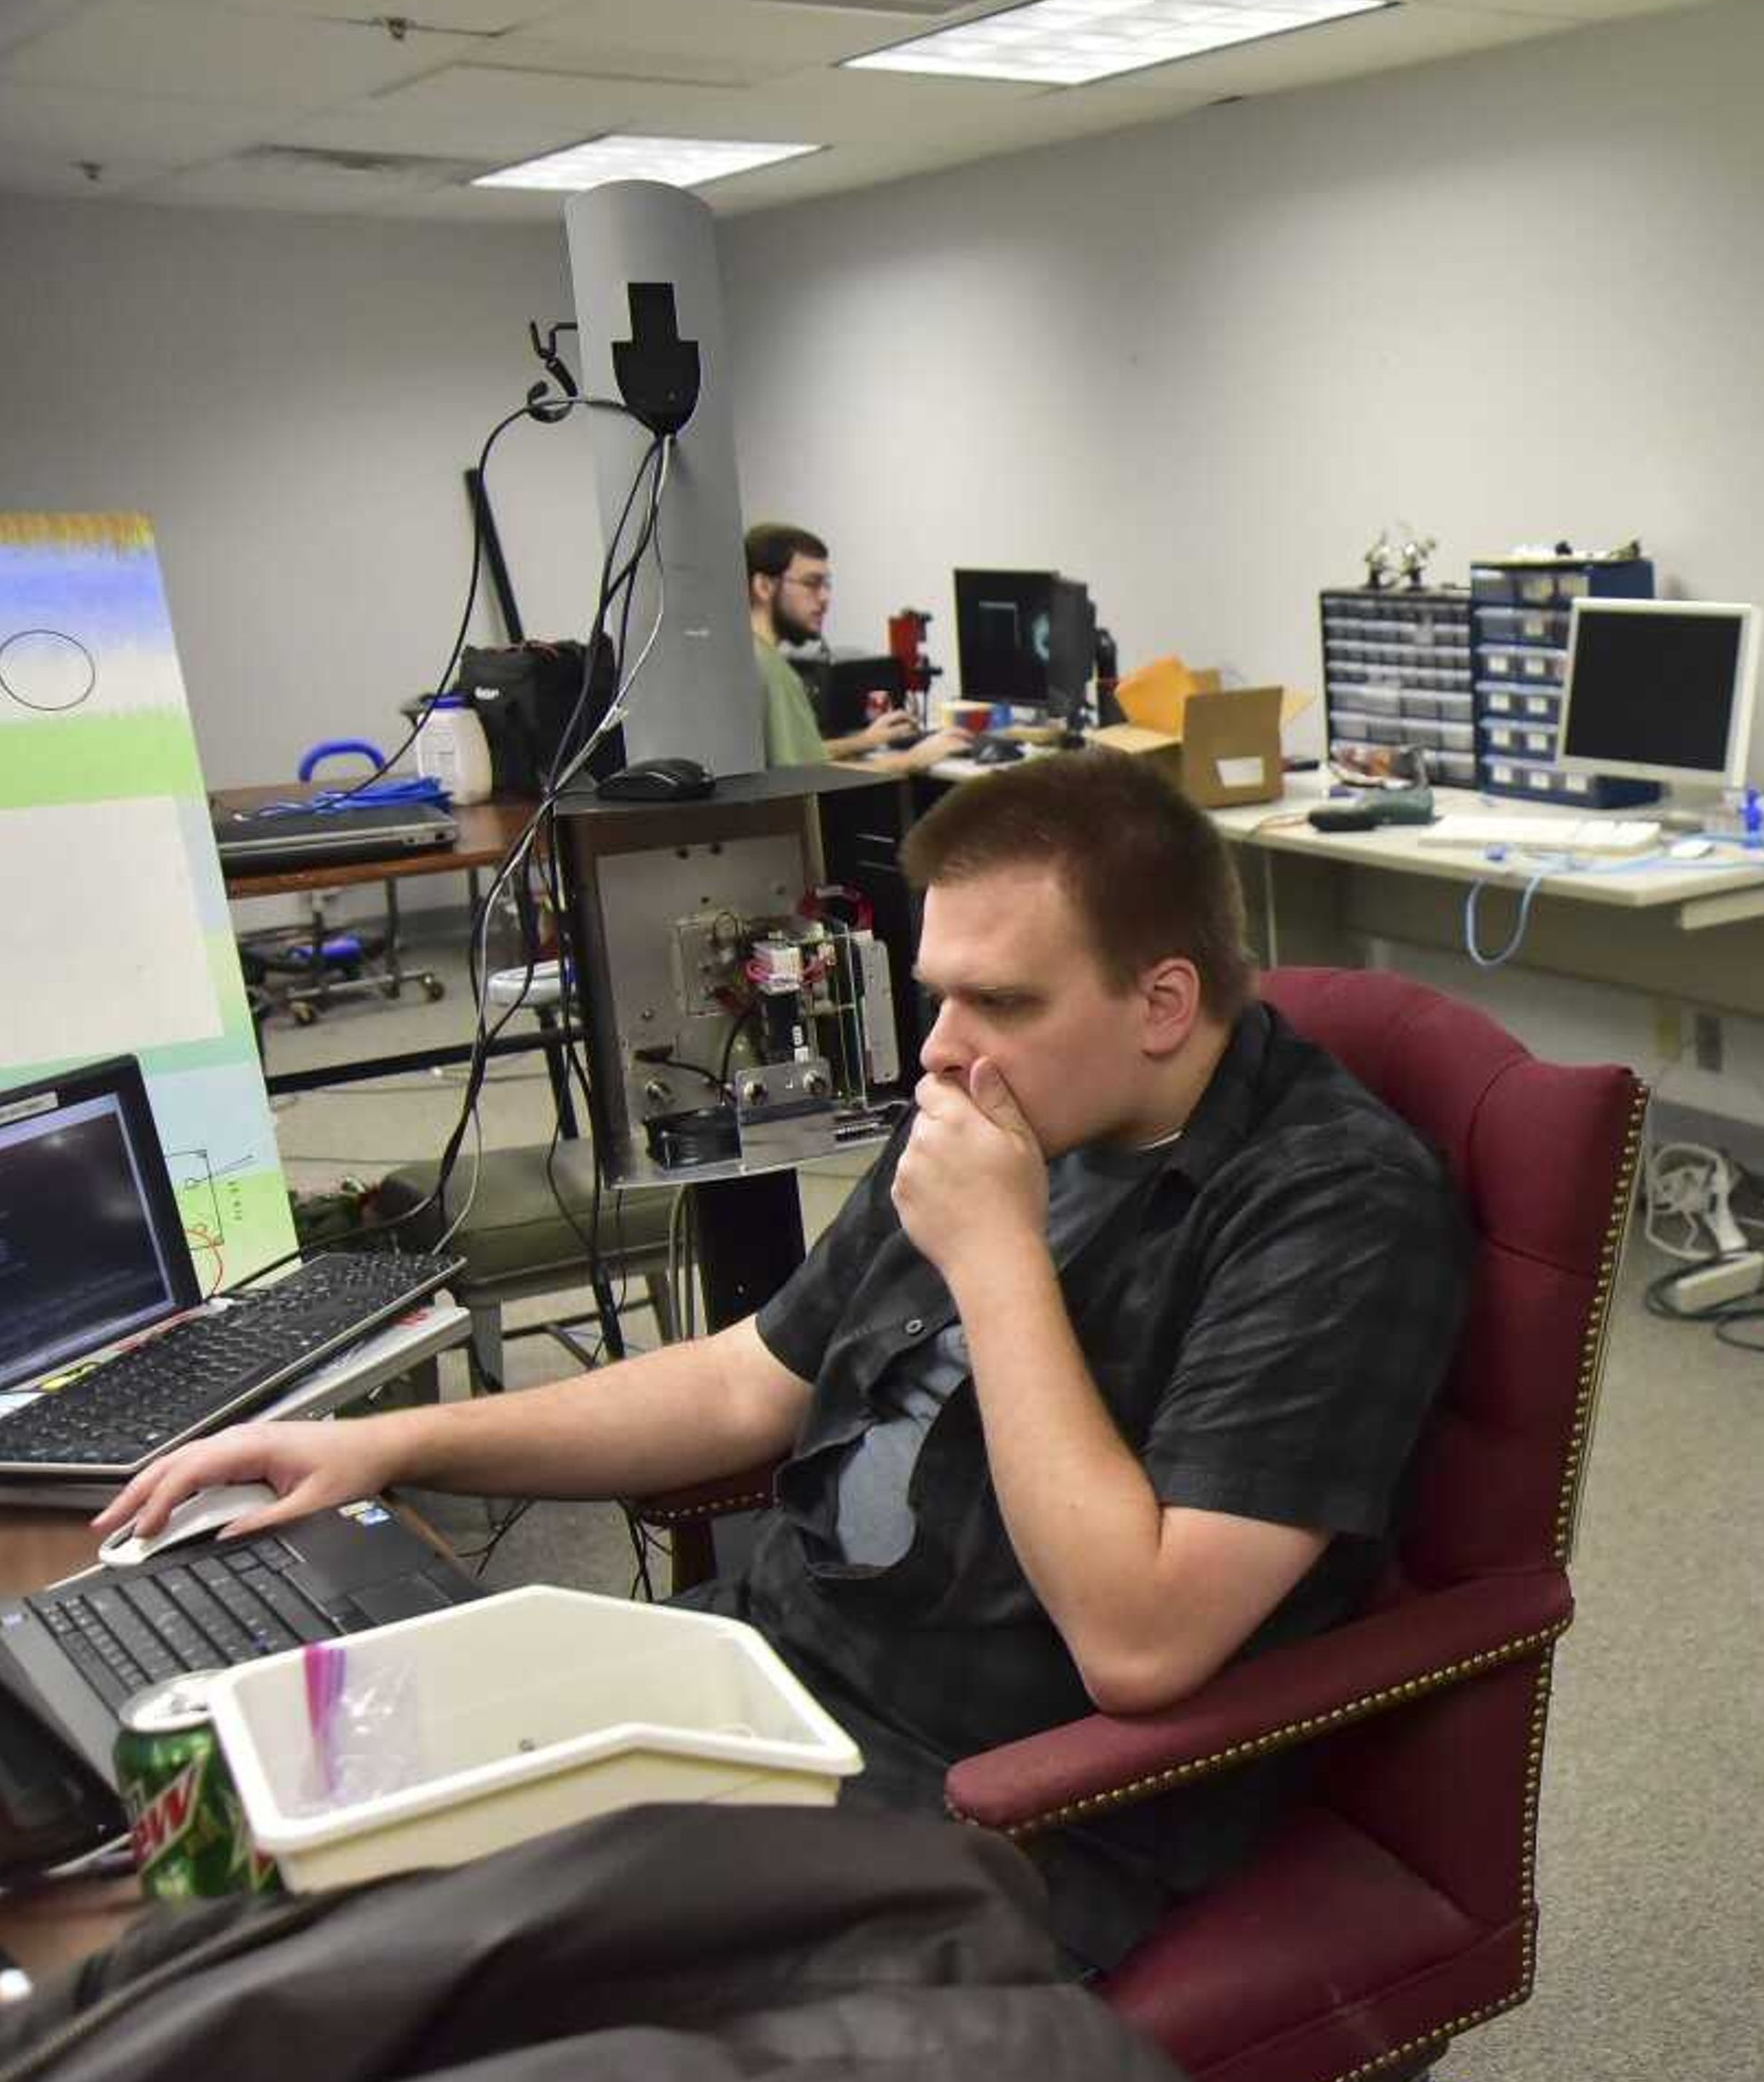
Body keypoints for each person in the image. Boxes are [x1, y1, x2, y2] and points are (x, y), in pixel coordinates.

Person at [107, 749, 1472, 1966]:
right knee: (310, 1837)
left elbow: (1142, 1642)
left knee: (460, 1993)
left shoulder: (1334, 1207)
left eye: (998, 1001)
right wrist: (389, 1443)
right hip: (778, 1664)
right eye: (938, 996)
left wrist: (997, 1261)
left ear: (1164, 1001)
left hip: (1008, 1792)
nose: (941, 1051)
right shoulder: (996, 1108)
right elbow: (739, 1382)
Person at [746, 520, 969, 773]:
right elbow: (805, 779)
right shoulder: (771, 672)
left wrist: (865, 741)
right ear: (763, 586)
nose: (824, 598)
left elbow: (800, 757)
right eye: (811, 583)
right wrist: (911, 759)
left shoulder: (748, 656)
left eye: (826, 584)